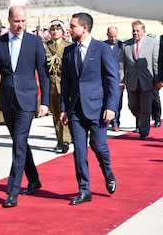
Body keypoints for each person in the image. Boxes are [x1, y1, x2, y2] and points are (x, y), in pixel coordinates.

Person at [0, 5, 50, 208]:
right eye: (16, 21)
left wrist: (45, 102)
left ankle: (12, 191)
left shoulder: (35, 42)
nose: (20, 25)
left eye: (23, 21)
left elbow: (43, 73)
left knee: (19, 143)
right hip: (7, 100)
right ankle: (34, 179)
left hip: (27, 100)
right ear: (9, 21)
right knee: (20, 142)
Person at [60, 12, 118, 205]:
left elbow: (112, 79)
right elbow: (65, 83)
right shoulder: (68, 52)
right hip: (76, 109)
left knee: (99, 147)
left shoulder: (101, 49)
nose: (70, 29)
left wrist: (111, 107)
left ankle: (108, 173)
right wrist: (64, 109)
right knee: (79, 151)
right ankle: (84, 190)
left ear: (84, 28)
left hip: (98, 108)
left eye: (73, 26)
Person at [122, 20, 159, 140]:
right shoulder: (126, 45)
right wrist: (122, 81)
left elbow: (155, 62)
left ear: (143, 31)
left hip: (147, 81)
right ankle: (141, 118)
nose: (135, 33)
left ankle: (144, 131)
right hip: (132, 81)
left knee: (146, 108)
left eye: (137, 31)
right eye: (133, 30)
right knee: (133, 106)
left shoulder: (152, 43)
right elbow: (122, 65)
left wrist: (157, 80)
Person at [44, 19, 72, 153]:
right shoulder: (46, 46)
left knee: (64, 112)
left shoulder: (68, 46)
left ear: (62, 31)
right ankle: (59, 140)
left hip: (64, 83)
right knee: (55, 114)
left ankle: (66, 140)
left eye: (58, 29)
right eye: (53, 29)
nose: (55, 32)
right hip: (51, 84)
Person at [104, 26, 125, 131]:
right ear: (107, 35)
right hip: (105, 79)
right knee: (105, 100)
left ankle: (116, 122)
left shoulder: (122, 46)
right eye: (111, 36)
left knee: (117, 102)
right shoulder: (102, 45)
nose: (113, 39)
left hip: (118, 80)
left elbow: (124, 65)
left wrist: (123, 81)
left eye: (115, 36)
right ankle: (107, 121)